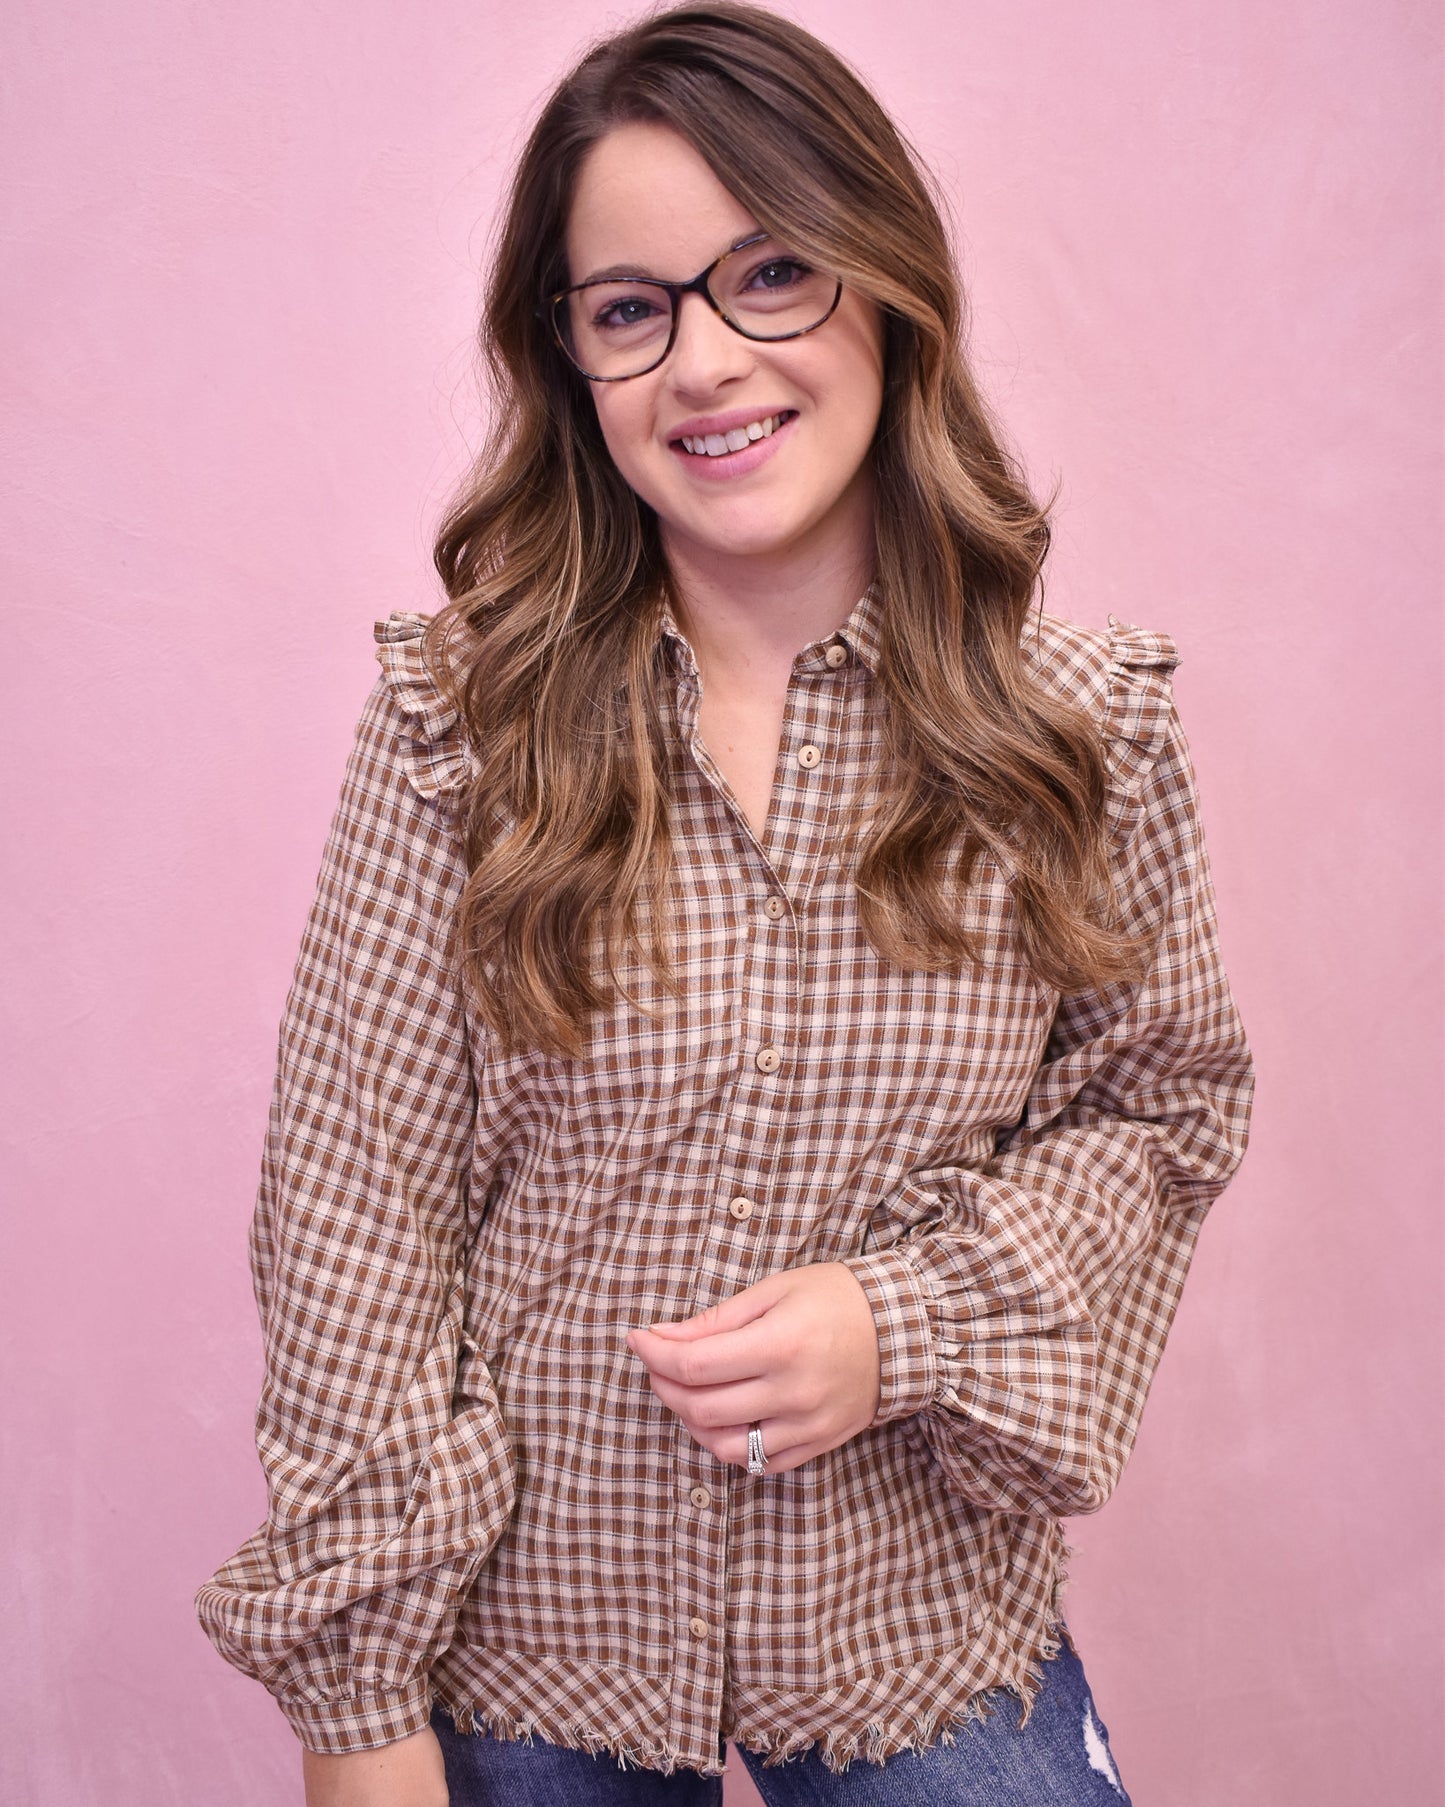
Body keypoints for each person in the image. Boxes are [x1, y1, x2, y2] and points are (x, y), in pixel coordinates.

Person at [196, 6, 1253, 1803]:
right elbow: (354, 1210)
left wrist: (901, 1320)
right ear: (573, 362)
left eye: (768, 272)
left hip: (917, 1636)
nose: (703, 360)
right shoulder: (459, 730)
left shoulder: (1080, 730)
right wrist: (359, 1713)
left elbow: (1162, 1109)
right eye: (630, 307)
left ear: (882, 284)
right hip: (531, 1652)